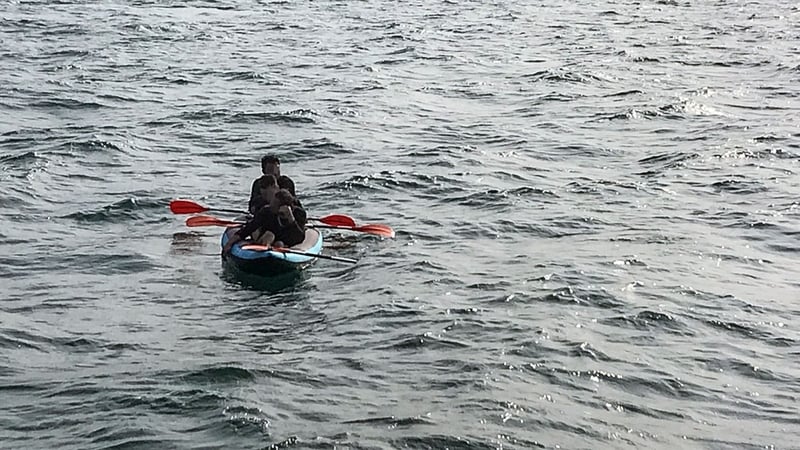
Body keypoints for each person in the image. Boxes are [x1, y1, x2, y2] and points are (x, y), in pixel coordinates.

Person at [224, 189, 307, 254]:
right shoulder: (266, 211)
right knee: (269, 235)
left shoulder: (299, 214)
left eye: (275, 204)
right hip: (266, 239)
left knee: (280, 244)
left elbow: (299, 238)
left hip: (285, 241)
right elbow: (248, 228)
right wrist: (229, 243)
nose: (271, 205)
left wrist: (290, 219)